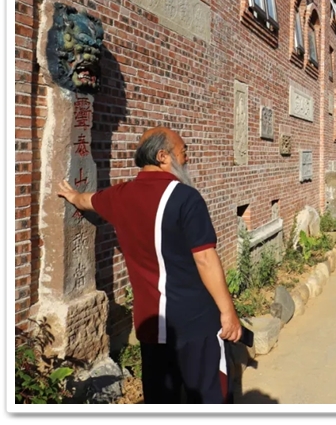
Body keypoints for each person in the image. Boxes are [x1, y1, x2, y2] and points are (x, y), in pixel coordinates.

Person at [56, 126, 241, 404]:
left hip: (151, 324)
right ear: (163, 156)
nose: (187, 158)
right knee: (209, 398)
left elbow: (86, 200)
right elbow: (205, 258)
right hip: (195, 323)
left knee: (161, 400)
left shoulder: (119, 195)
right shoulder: (186, 198)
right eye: (183, 152)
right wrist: (228, 312)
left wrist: (71, 196)